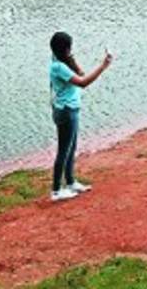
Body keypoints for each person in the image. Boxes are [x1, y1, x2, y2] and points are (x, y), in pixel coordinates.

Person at [48, 31, 112, 201]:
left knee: (71, 148)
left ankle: (70, 182)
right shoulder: (58, 67)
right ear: (65, 48)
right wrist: (103, 67)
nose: (72, 49)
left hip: (71, 109)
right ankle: (56, 191)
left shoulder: (61, 61)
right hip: (66, 110)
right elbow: (83, 83)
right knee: (63, 150)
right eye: (70, 47)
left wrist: (72, 58)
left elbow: (81, 74)